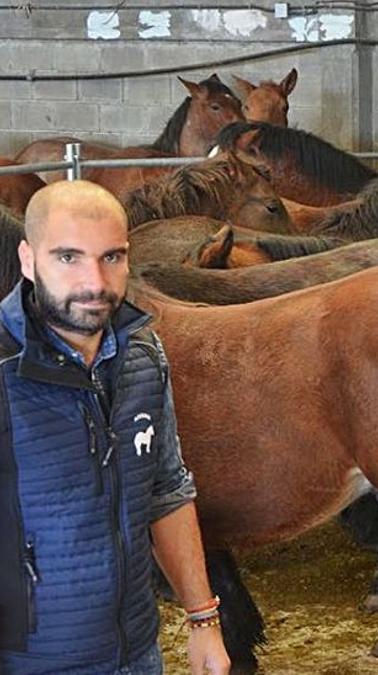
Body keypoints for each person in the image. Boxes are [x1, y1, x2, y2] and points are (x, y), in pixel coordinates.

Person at [0, 181, 229, 674]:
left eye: (111, 257)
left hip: (138, 654)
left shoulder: (142, 356)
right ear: (26, 259)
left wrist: (202, 619)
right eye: (68, 258)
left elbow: (167, 489)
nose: (95, 282)